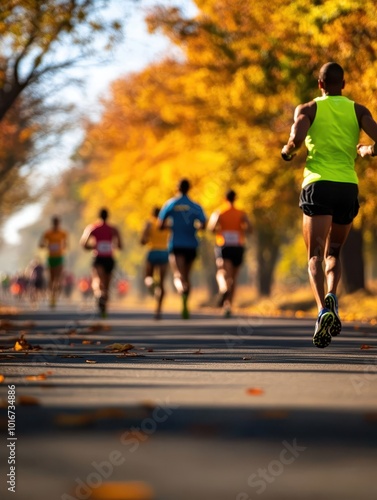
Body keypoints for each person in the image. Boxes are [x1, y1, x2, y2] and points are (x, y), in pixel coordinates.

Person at [281, 61, 377, 348]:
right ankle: (333, 294)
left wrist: (287, 151)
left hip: (317, 185)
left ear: (320, 84)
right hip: (347, 186)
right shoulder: (357, 110)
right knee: (333, 252)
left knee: (314, 255)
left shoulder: (308, 109)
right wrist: (367, 150)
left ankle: (323, 309)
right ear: (343, 84)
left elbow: (295, 140)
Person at [158, 179, 206, 319]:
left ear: (177, 188)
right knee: (187, 275)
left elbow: (160, 225)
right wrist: (194, 227)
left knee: (178, 275)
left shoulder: (171, 204)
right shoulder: (196, 206)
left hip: (176, 244)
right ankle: (185, 302)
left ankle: (182, 289)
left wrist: (171, 226)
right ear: (189, 188)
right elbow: (203, 224)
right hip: (192, 245)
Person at [208, 189, 252, 317]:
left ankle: (223, 289)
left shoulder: (220, 212)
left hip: (224, 245)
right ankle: (228, 306)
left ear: (225, 198)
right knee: (233, 278)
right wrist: (241, 229)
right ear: (235, 198)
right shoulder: (241, 213)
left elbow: (211, 228)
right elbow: (250, 228)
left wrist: (220, 229)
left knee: (222, 272)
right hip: (238, 246)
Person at [80, 208, 123, 317]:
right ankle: (104, 311)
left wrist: (94, 246)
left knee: (98, 281)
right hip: (109, 259)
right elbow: (120, 245)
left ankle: (99, 295)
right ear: (108, 216)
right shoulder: (113, 229)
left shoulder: (93, 228)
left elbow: (83, 244)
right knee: (107, 286)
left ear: (99, 216)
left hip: (98, 258)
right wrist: (111, 245)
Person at [140, 207, 170, 319]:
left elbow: (143, 241)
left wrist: (147, 237)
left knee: (148, 276)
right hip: (164, 253)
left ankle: (151, 283)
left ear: (152, 214)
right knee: (162, 284)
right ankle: (158, 310)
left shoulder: (149, 224)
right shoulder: (167, 224)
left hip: (152, 252)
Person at [39, 216, 68, 308]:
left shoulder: (63, 233)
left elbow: (66, 244)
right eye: (55, 223)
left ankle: (57, 290)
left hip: (59, 257)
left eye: (57, 223)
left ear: (59, 223)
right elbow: (41, 244)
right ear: (53, 223)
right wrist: (47, 245)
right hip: (51, 258)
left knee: (58, 278)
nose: (56, 225)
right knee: (51, 279)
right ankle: (52, 297)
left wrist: (62, 247)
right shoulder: (47, 233)